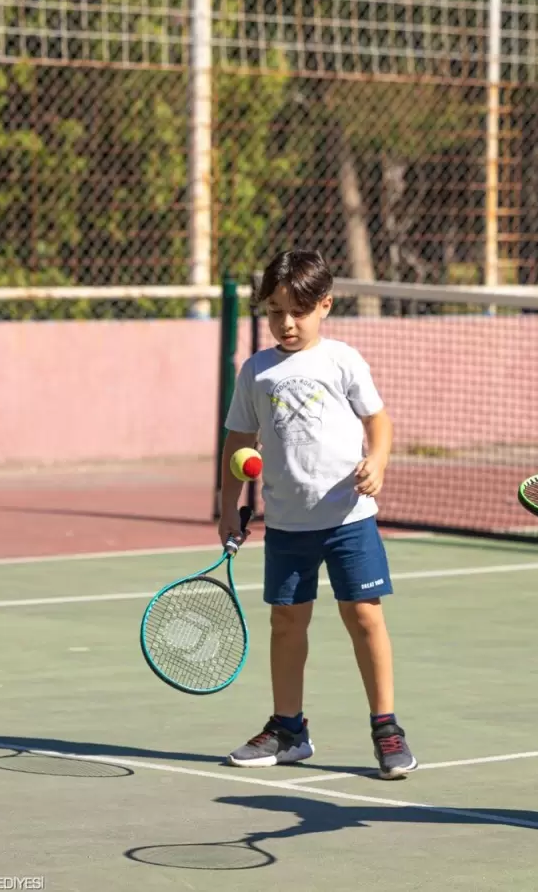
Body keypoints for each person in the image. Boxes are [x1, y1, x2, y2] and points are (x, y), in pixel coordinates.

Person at [216, 249, 417, 780]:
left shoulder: (343, 360)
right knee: (287, 623)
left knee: (365, 618)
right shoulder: (256, 371)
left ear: (324, 305)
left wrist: (377, 462)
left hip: (350, 518)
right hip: (286, 524)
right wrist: (227, 507)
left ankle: (386, 728)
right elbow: (238, 440)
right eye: (275, 310)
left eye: (297, 311)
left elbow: (379, 423)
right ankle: (288, 730)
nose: (285, 322)